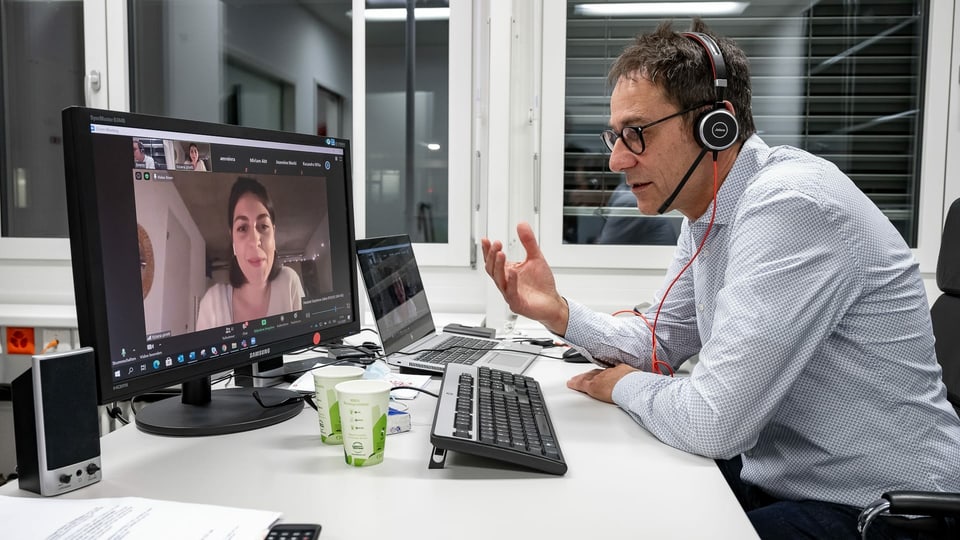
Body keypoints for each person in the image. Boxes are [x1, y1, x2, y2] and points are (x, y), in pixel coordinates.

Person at [482, 20, 960, 540]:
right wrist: (560, 314)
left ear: (717, 126)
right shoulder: (709, 209)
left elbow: (712, 422)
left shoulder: (791, 206)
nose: (618, 160)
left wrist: (623, 386)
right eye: (615, 136)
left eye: (637, 133)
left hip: (886, 511)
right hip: (791, 479)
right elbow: (662, 341)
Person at [196, 177, 304, 330]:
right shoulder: (212, 304)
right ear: (232, 240)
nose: (254, 241)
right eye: (242, 228)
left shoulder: (289, 283)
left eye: (263, 226)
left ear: (274, 234)